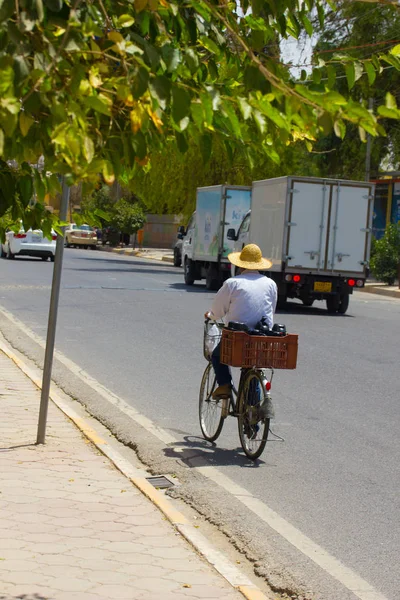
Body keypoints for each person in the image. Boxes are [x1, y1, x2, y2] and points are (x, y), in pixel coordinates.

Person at [205, 244, 277, 399]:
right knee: (253, 367)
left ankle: (224, 385)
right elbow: (271, 311)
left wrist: (210, 316)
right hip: (262, 338)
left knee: (217, 355)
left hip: (237, 338)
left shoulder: (233, 283)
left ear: (239, 264)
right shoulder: (271, 284)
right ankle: (253, 418)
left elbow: (218, 311)